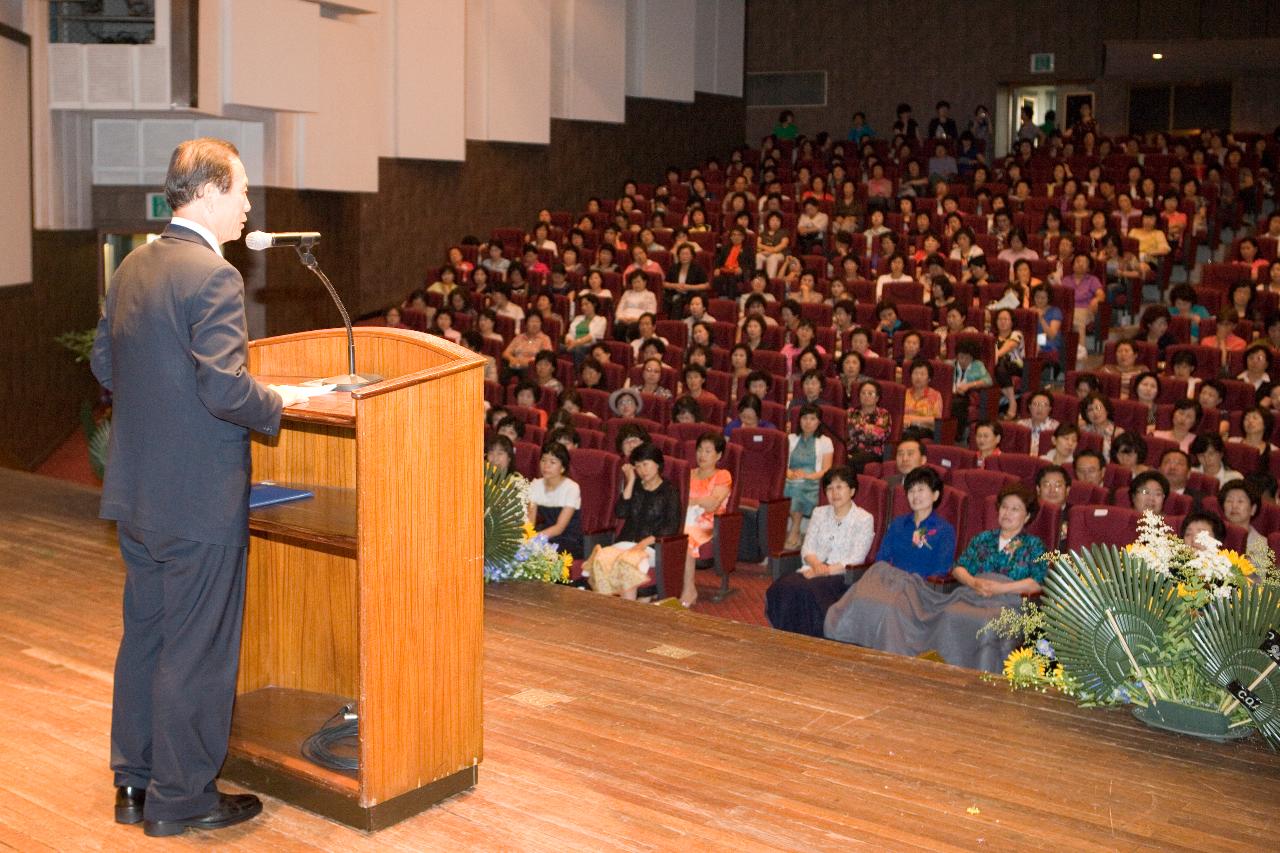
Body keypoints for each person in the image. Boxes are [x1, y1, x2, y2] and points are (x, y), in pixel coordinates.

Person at [89, 138, 294, 835]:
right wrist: (279, 404)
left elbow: (103, 362)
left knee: (146, 635)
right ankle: (182, 799)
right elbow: (223, 385)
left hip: (139, 494)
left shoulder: (134, 266)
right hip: (198, 499)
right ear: (206, 191)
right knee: (196, 646)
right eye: (239, 189)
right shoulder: (213, 275)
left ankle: (134, 782)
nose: (246, 204)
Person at [824, 483, 1046, 673]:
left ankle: (983, 675)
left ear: (1026, 516)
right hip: (974, 592)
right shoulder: (984, 539)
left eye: (1015, 509)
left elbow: (1036, 581)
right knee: (948, 613)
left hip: (1009, 599)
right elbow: (959, 568)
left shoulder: (1034, 545)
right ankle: (947, 671)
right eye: (1004, 507)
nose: (1007, 513)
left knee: (986, 622)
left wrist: (1000, 589)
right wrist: (973, 581)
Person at [765, 466, 876, 637]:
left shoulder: (864, 519)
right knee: (784, 586)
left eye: (840, 487)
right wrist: (816, 565)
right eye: (830, 488)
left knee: (809, 591)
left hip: (842, 576)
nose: (834, 493)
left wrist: (824, 571)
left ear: (852, 490)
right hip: (813, 568)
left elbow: (856, 558)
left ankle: (811, 640)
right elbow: (807, 548)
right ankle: (785, 637)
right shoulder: (819, 513)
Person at [589, 444, 683, 599]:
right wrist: (631, 481)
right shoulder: (637, 486)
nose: (642, 471)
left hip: (653, 548)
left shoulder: (670, 492)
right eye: (638, 467)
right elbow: (621, 512)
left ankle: (628, 612)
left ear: (658, 464)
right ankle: (604, 612)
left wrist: (643, 544)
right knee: (601, 558)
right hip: (626, 542)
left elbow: (671, 527)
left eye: (645, 464)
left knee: (627, 563)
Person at [681, 433, 734, 608]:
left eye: (708, 451)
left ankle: (689, 589)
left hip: (709, 524)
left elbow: (712, 504)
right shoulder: (688, 474)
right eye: (700, 450)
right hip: (686, 519)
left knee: (685, 537)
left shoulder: (723, 475)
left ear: (718, 456)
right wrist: (698, 501)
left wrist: (691, 501)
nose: (702, 455)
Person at [784, 404, 835, 550]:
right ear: (799, 420)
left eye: (812, 419)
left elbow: (826, 469)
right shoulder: (790, 439)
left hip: (812, 480)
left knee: (798, 488)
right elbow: (783, 465)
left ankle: (795, 529)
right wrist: (789, 474)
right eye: (804, 418)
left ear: (819, 422)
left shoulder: (825, 441)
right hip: (791, 477)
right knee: (786, 486)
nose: (808, 422)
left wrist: (808, 475)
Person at [528, 442, 583, 557]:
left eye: (552, 462)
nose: (546, 466)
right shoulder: (535, 484)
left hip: (567, 539)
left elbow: (559, 528)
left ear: (562, 468)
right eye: (543, 460)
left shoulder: (572, 488)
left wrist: (534, 539)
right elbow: (530, 521)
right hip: (544, 534)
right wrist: (527, 537)